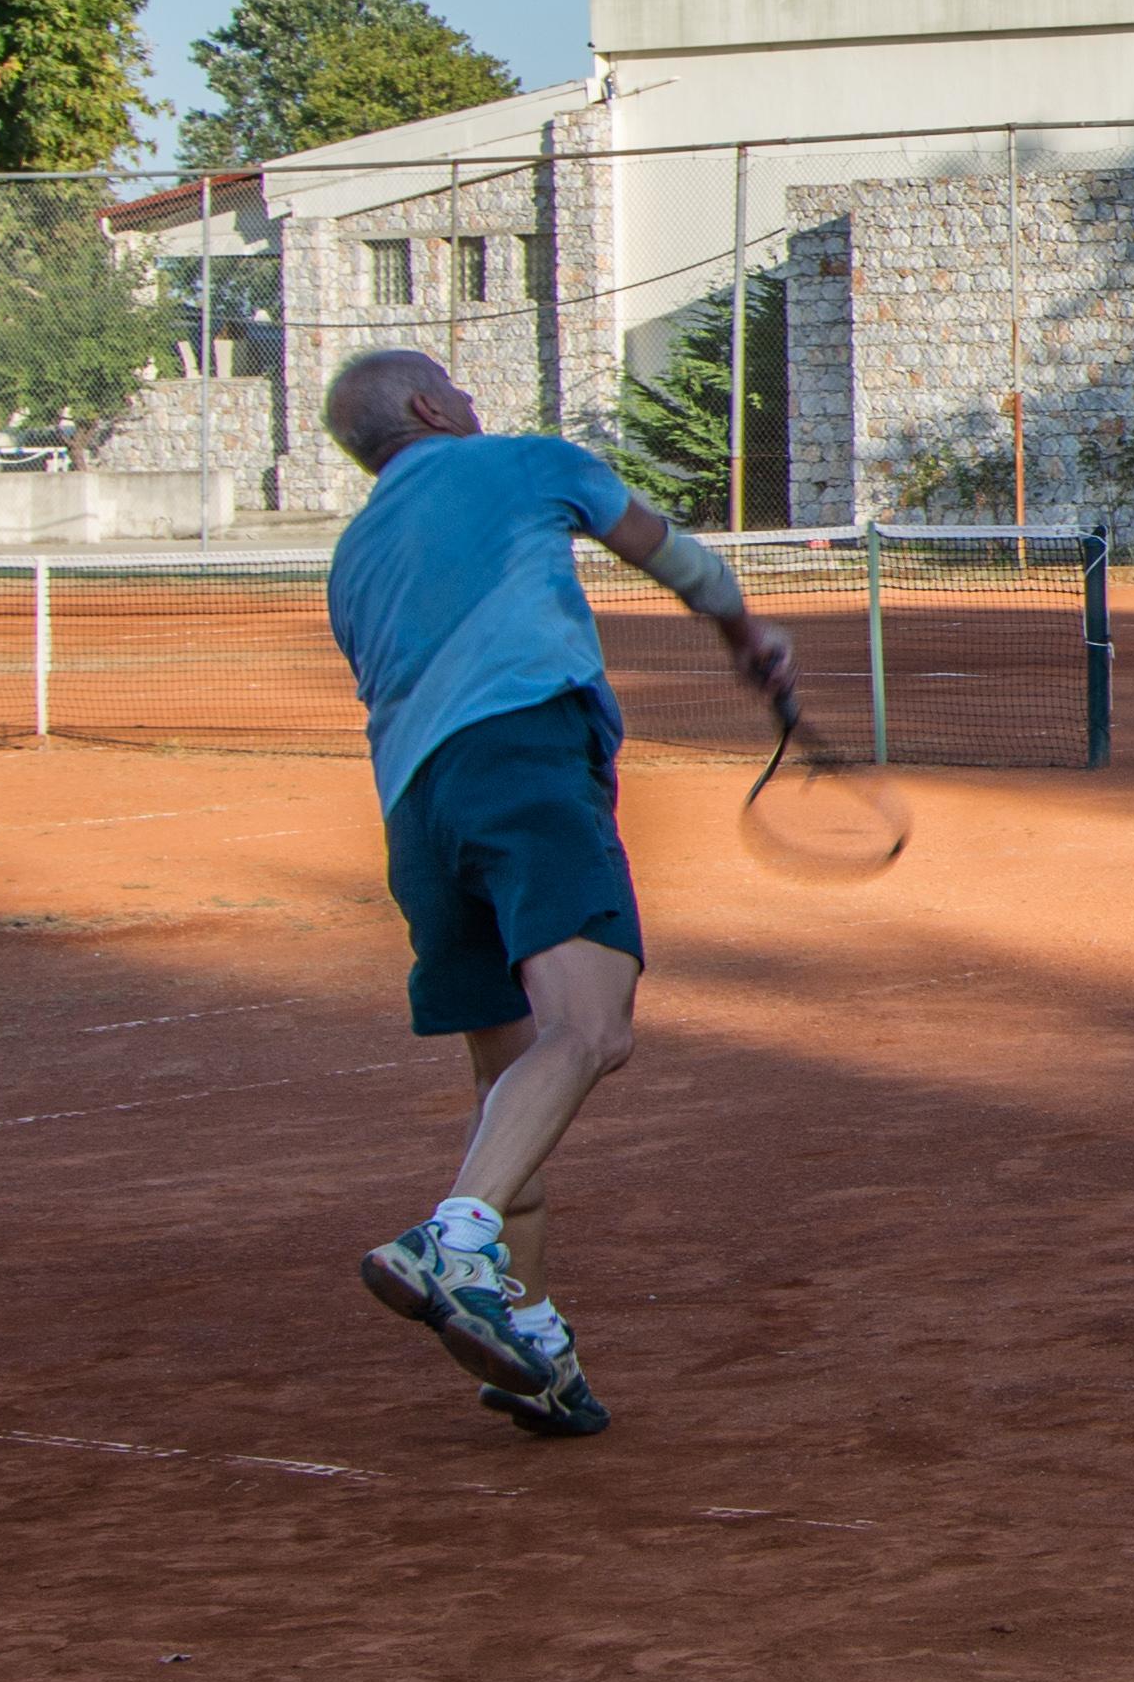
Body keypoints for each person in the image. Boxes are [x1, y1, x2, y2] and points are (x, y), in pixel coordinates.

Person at [317, 350, 788, 1439]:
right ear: (433, 407)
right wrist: (747, 638)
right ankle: (456, 1241)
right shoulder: (528, 462)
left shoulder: (351, 554)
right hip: (526, 761)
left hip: (417, 815)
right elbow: (683, 561)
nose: (479, 404)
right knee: (589, 1029)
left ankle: (526, 1337)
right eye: (461, 391)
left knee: (510, 1092)